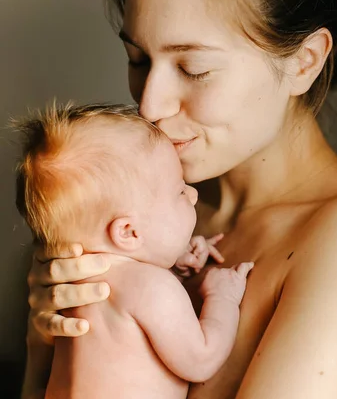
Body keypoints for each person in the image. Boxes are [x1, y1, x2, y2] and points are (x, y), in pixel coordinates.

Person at [22, 0, 337, 399]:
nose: (149, 105)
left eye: (193, 69)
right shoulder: (145, 218)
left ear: (304, 62)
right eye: (138, 61)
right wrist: (46, 346)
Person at [15, 102, 253, 399]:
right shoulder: (153, 286)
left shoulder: (76, 290)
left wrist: (177, 262)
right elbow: (201, 360)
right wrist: (222, 297)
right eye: (179, 190)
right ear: (129, 232)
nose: (192, 195)